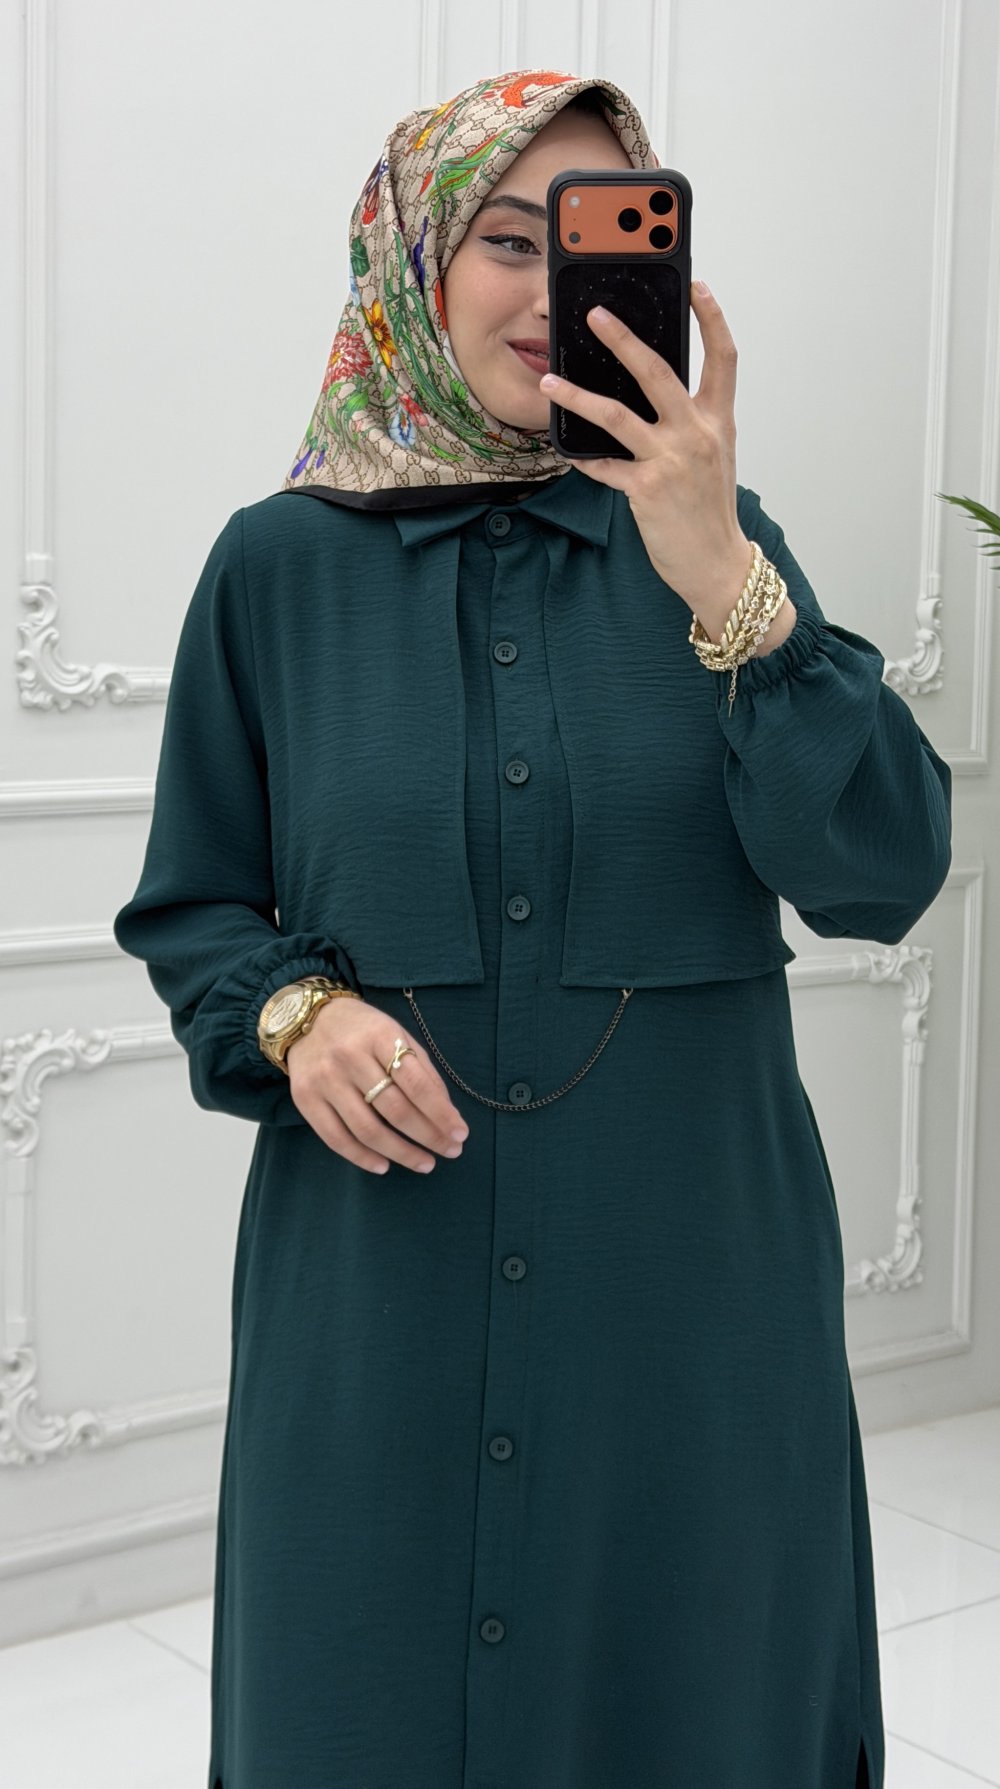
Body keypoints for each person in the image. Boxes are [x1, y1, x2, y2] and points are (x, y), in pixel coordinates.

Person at [113, 68, 951, 1789]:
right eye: (508, 238)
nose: (550, 289)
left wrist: (725, 579)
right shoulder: (273, 568)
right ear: (413, 263)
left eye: (595, 243)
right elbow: (194, 903)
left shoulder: (718, 545)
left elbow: (883, 866)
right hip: (378, 1311)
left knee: (701, 1707)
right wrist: (295, 1015)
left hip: (692, 1312)